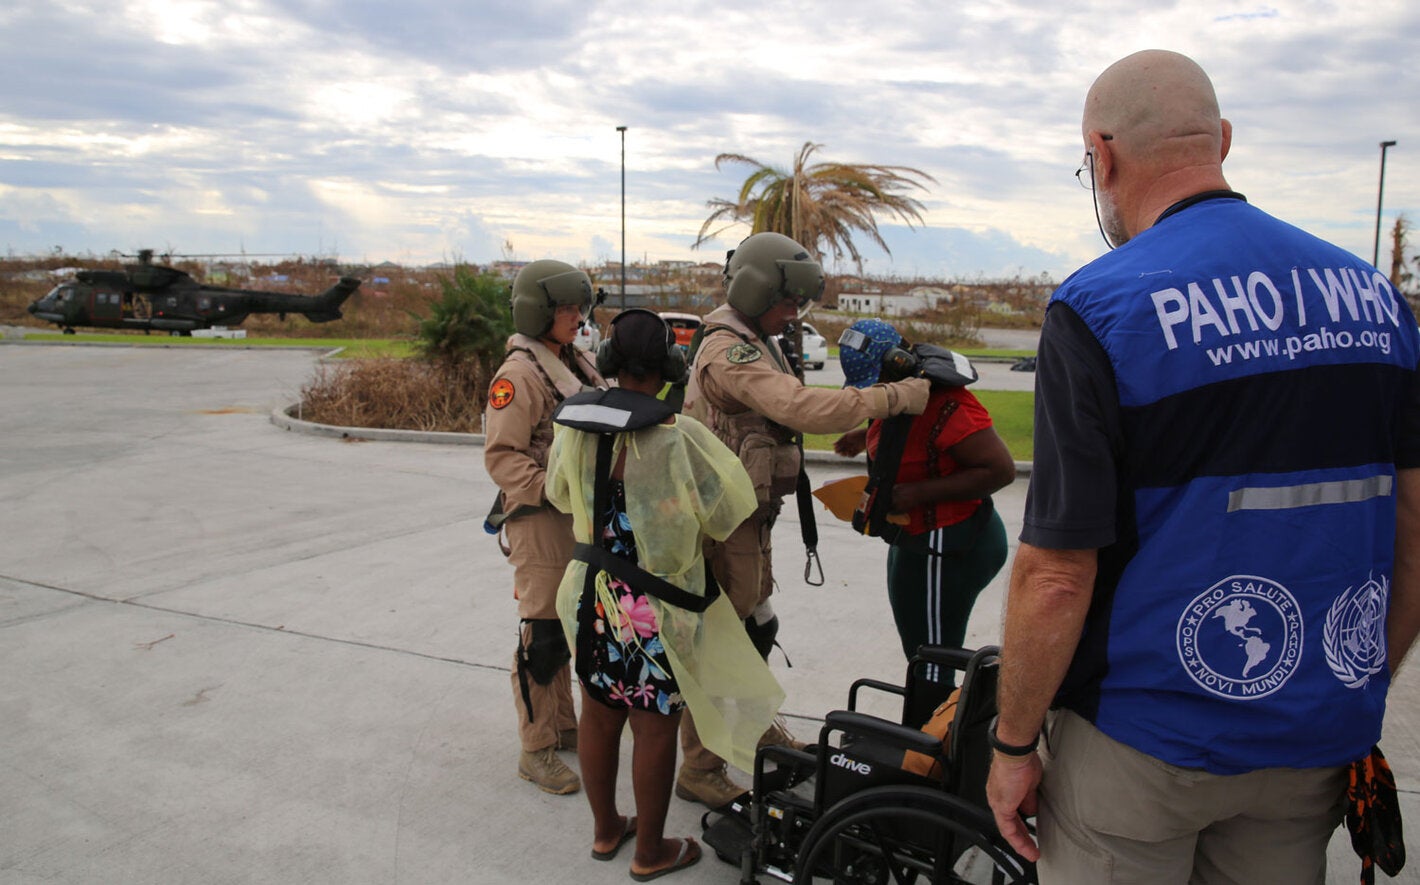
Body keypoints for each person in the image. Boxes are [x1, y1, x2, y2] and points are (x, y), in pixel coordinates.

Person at [985, 49, 1420, 884]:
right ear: (1221, 138)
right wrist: (1354, 689)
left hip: (1142, 745)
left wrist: (1011, 745)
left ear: (1101, 157)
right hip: (1315, 739)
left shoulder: (1100, 306)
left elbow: (1056, 575)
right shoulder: (1376, 299)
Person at [676, 231, 932, 808]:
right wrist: (893, 397)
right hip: (722, 526)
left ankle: (755, 725)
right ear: (758, 288)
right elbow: (795, 406)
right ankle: (699, 766)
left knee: (755, 630)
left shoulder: (757, 336)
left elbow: (784, 410)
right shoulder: (729, 347)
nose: (794, 314)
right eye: (788, 301)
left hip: (749, 517)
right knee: (720, 641)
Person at [546, 309, 781, 880]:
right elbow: (728, 513)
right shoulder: (681, 436)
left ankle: (607, 832)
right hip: (655, 609)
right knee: (655, 726)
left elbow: (557, 494)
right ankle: (650, 851)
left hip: (591, 597)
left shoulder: (576, 427)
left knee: (599, 716)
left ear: (606, 363)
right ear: (672, 367)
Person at [832, 318, 1015, 685]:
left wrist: (914, 494)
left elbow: (1000, 470)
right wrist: (863, 433)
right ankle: (924, 732)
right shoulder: (905, 392)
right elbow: (904, 426)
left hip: (947, 545)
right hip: (917, 537)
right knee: (919, 651)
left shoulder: (949, 405)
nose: (877, 393)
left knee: (931, 661)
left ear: (899, 361)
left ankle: (929, 739)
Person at [484, 259, 606, 795]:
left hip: (576, 516)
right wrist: (553, 488)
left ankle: (561, 727)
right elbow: (502, 458)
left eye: (580, 306)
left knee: (570, 626)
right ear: (538, 311)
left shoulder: (573, 361)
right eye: (565, 308)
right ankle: (535, 749)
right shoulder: (518, 375)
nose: (577, 316)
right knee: (543, 636)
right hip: (541, 521)